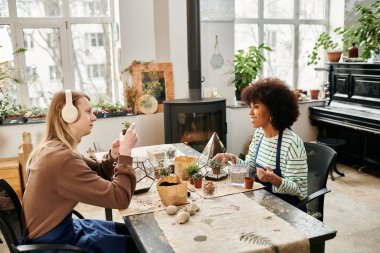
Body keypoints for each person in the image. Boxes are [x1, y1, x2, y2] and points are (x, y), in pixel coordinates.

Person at [22, 90, 139, 252]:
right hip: (54, 244)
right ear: (69, 114)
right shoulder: (61, 159)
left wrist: (114, 155)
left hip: (61, 230)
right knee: (139, 244)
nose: (94, 117)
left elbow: (98, 172)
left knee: (130, 232)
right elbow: (120, 198)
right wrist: (126, 155)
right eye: (88, 112)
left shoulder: (55, 148)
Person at [214, 78, 308, 208]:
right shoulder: (259, 134)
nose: (250, 112)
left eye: (256, 107)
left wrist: (275, 180)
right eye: (250, 106)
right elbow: (250, 169)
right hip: (265, 201)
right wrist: (232, 158)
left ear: (273, 110)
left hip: (289, 209)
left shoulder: (292, 143)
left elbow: (299, 189)